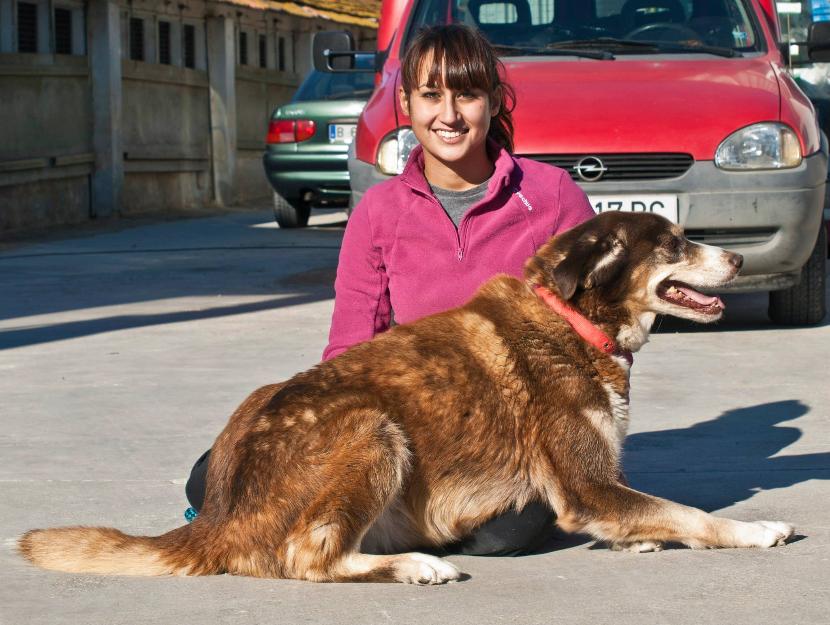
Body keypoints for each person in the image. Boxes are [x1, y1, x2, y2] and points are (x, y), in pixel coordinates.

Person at [185, 23, 596, 555]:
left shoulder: (551, 194)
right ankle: (364, 516)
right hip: (414, 420)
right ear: (405, 102)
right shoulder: (378, 212)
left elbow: (601, 323)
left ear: (494, 102)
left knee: (504, 534)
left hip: (517, 433)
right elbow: (350, 349)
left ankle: (359, 524)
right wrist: (328, 436)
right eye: (430, 95)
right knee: (215, 475)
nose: (448, 116)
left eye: (467, 95)